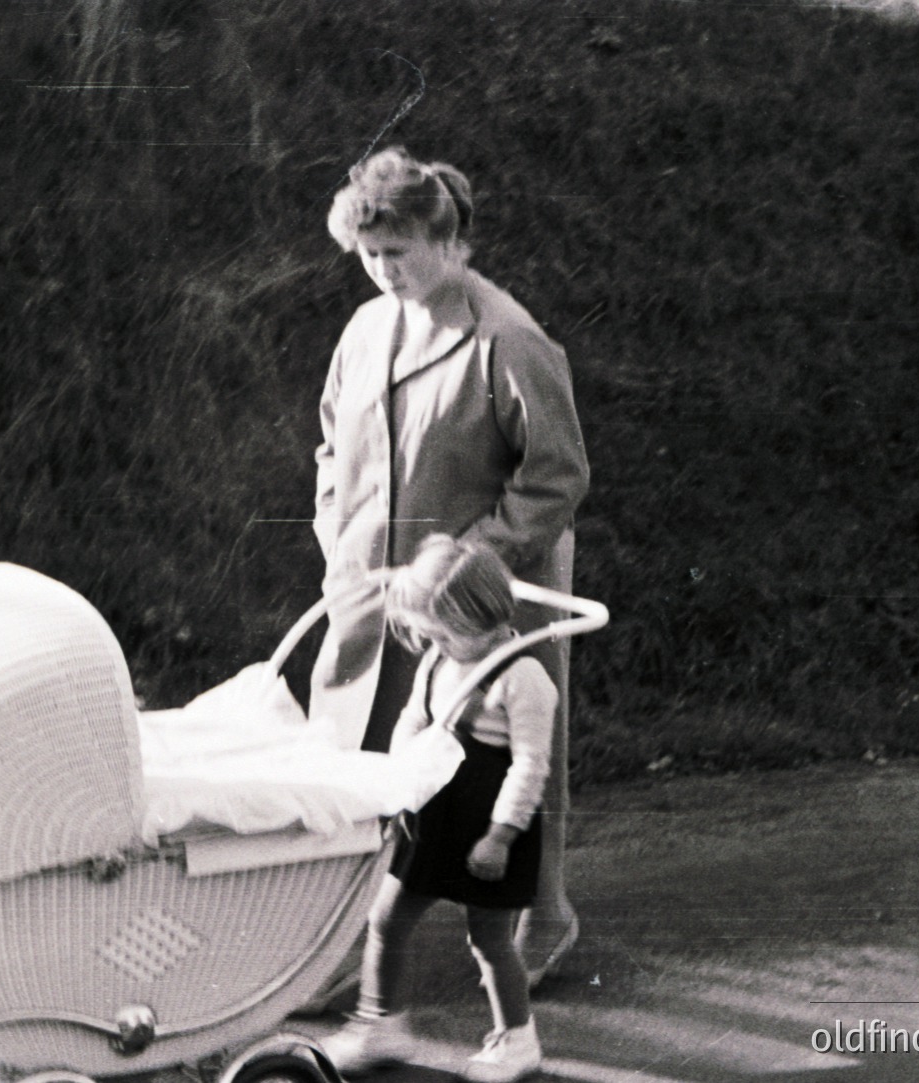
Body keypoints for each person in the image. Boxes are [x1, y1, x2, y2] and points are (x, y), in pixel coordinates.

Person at [309, 147, 589, 984]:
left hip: (478, 596)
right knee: (351, 748)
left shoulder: (507, 336)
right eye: (367, 254)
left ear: (449, 239)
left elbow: (556, 476)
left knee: (501, 754)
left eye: (397, 251)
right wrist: (337, 537)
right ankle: (324, 952)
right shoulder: (365, 329)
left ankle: (541, 918)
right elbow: (331, 443)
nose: (381, 269)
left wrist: (470, 566)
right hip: (370, 582)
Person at [323, 536, 555, 1081]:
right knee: (385, 918)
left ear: (479, 617)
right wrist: (401, 781)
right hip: (432, 814)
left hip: (490, 824)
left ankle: (517, 1042)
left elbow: (529, 766)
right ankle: (378, 1022)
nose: (431, 641)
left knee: (490, 940)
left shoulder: (524, 679)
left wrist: (501, 835)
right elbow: (414, 719)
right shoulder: (438, 661)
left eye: (440, 631)